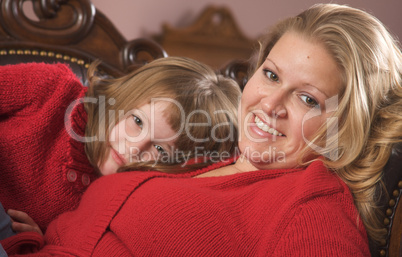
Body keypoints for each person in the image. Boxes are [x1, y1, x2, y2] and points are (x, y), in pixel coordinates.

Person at [2, 3, 402, 256]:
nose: (270, 104)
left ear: (345, 124)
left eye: (308, 99)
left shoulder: (310, 203)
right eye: (271, 74)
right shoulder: (212, 153)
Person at [0, 57, 241, 239]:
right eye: (137, 121)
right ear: (125, 96)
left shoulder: (124, 206)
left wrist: (38, 243)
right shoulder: (52, 89)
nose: (134, 148)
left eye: (160, 150)